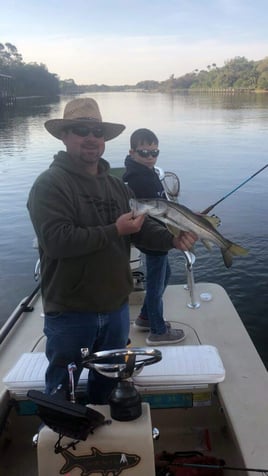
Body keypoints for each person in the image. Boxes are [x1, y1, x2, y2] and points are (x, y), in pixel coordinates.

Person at [27, 98, 196, 404]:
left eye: (97, 131)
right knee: (62, 391)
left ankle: (105, 441)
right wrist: (115, 230)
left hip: (116, 309)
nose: (91, 137)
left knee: (108, 388)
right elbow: (57, 241)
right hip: (71, 312)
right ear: (64, 136)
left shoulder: (118, 187)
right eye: (81, 130)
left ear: (104, 139)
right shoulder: (50, 185)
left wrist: (171, 239)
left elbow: (141, 229)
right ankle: (61, 438)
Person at [123, 128, 185, 345]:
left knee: (164, 275)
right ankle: (158, 331)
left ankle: (144, 317)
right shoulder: (136, 178)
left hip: (161, 234)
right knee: (156, 285)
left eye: (154, 152)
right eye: (144, 152)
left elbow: (164, 207)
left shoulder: (148, 173)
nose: (150, 157)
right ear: (132, 153)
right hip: (152, 239)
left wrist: (184, 217)